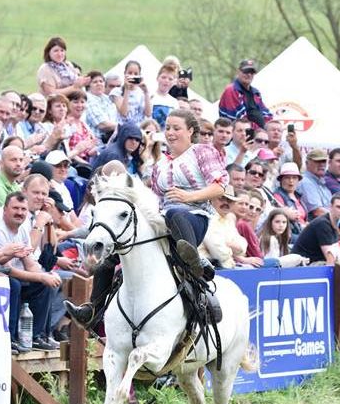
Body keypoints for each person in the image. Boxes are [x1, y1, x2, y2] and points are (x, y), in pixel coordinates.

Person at [67, 109, 226, 329]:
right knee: (113, 252)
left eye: (177, 128)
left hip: (193, 218)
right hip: (163, 220)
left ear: (190, 131)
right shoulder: (160, 164)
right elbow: (156, 200)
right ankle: (93, 309)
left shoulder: (202, 151)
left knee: (175, 213)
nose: (170, 132)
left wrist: (189, 197)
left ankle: (195, 264)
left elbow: (220, 186)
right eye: (168, 128)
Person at [0, 191, 61, 351]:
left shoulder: (22, 229)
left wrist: (45, 275)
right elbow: (7, 270)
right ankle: (11, 338)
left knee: (46, 284)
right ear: (5, 209)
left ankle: (36, 337)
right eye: (15, 208)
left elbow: (30, 264)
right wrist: (41, 277)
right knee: (17, 283)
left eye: (23, 209)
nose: (20, 213)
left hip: (19, 276)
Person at [292, 193, 340, 263]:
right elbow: (332, 258)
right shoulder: (322, 224)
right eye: (339, 207)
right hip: (305, 265)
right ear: (330, 207)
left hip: (319, 263)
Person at [217, 59, 271, 128]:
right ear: (238, 72)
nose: (249, 74)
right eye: (246, 71)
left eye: (252, 72)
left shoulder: (256, 93)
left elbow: (266, 113)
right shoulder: (231, 90)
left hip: (260, 131)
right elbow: (239, 121)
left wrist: (270, 127)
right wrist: (260, 130)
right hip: (240, 132)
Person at [111, 60, 151, 125]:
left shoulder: (142, 92)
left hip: (139, 127)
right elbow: (124, 113)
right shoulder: (117, 91)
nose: (132, 76)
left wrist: (146, 92)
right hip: (124, 127)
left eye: (136, 74)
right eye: (130, 73)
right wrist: (127, 89)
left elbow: (148, 114)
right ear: (125, 73)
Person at [272, 162, 306, 235]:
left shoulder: (298, 195)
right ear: (281, 180)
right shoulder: (277, 196)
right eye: (287, 178)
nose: (291, 181)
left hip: (303, 231)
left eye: (294, 178)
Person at [83, 70, 117, 142]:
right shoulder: (88, 99)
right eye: (95, 82)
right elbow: (102, 125)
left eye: (101, 81)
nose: (99, 84)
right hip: (97, 142)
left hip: (112, 138)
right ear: (88, 86)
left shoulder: (107, 98)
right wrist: (122, 127)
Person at [298, 148, 332, 220]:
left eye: (324, 161)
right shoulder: (305, 182)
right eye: (317, 161)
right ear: (307, 163)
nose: (321, 164)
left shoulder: (321, 183)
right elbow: (317, 211)